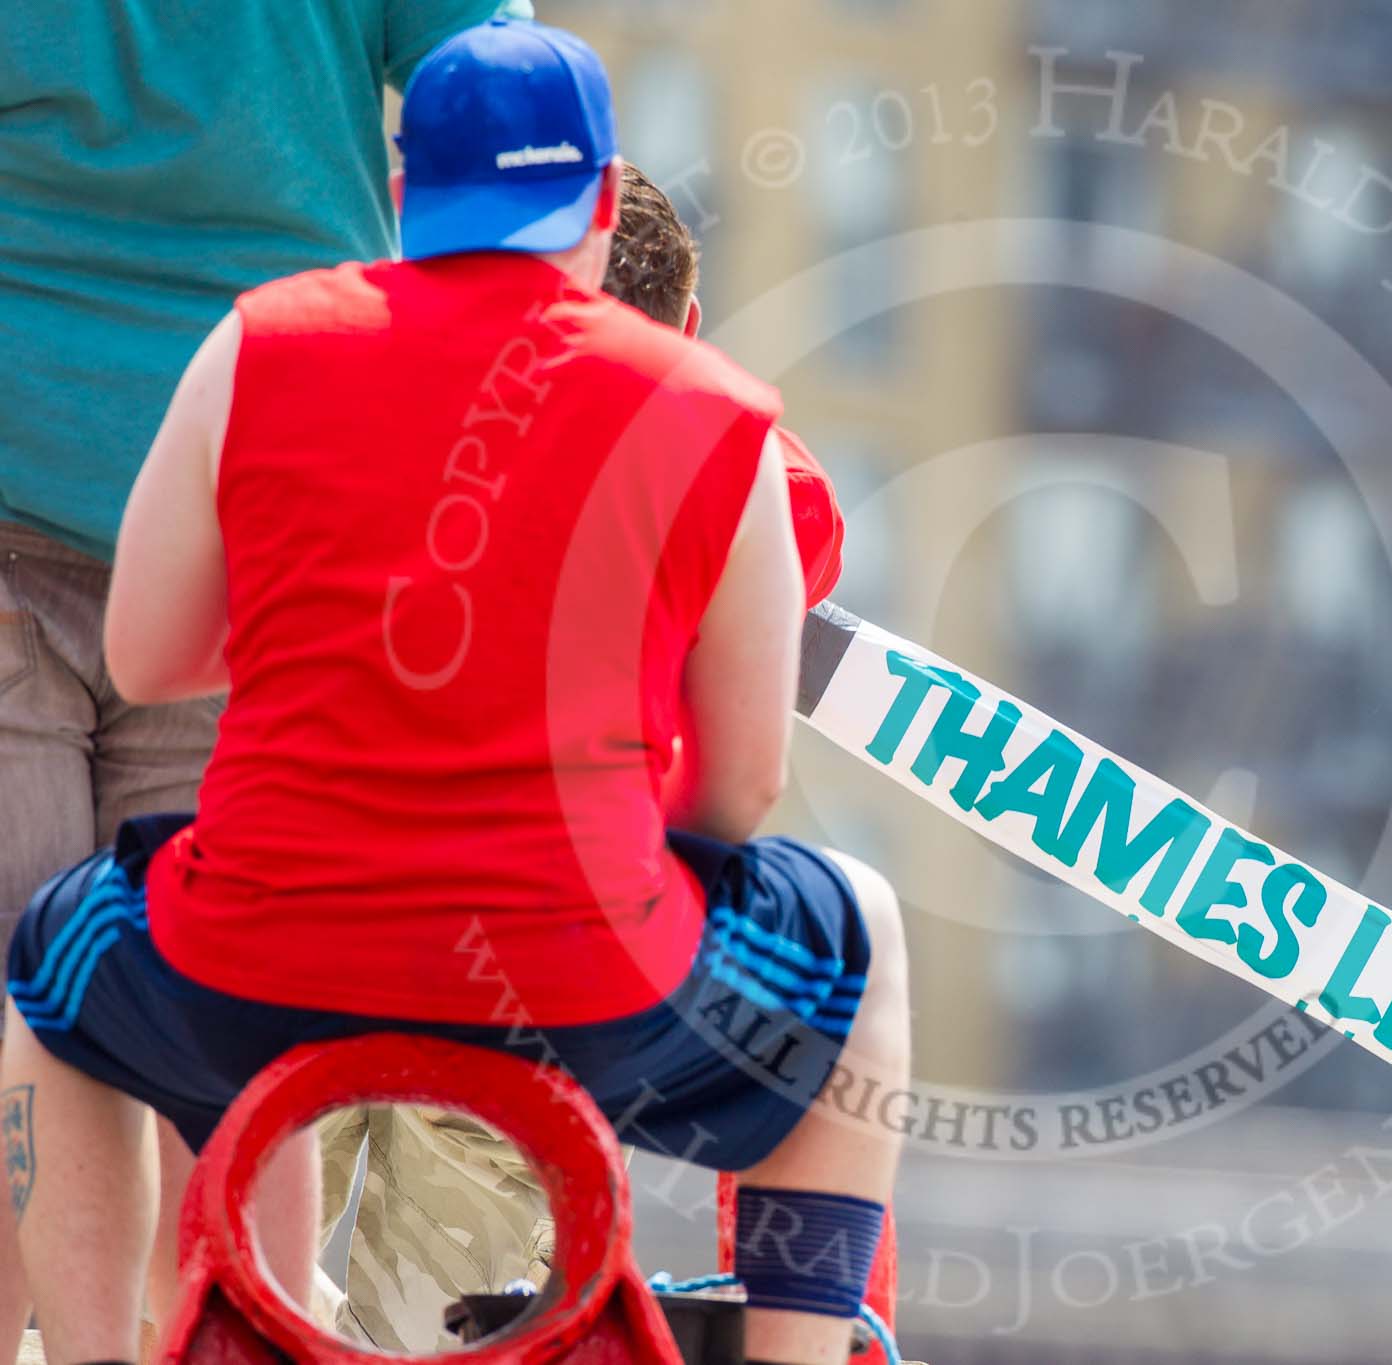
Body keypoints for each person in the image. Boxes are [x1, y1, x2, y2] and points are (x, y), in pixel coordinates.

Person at [1, 20, 909, 1365]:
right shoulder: (711, 405)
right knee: (865, 945)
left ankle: (87, 1356)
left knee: (44, 974)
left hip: (266, 959)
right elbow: (744, 784)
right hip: (581, 979)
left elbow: (147, 660)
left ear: (407, 183)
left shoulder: (261, 345)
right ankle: (802, 1351)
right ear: (602, 202)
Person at [0, 0, 532, 1344]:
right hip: (273, 506)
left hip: (59, 465)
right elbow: (503, 102)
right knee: (243, 1016)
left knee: (23, 1003)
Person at [313, 159, 856, 1350]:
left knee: (208, 1279)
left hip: (294, 920)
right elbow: (738, 767)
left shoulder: (349, 402)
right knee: (445, 1324)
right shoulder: (744, 472)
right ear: (687, 334)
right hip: (531, 970)